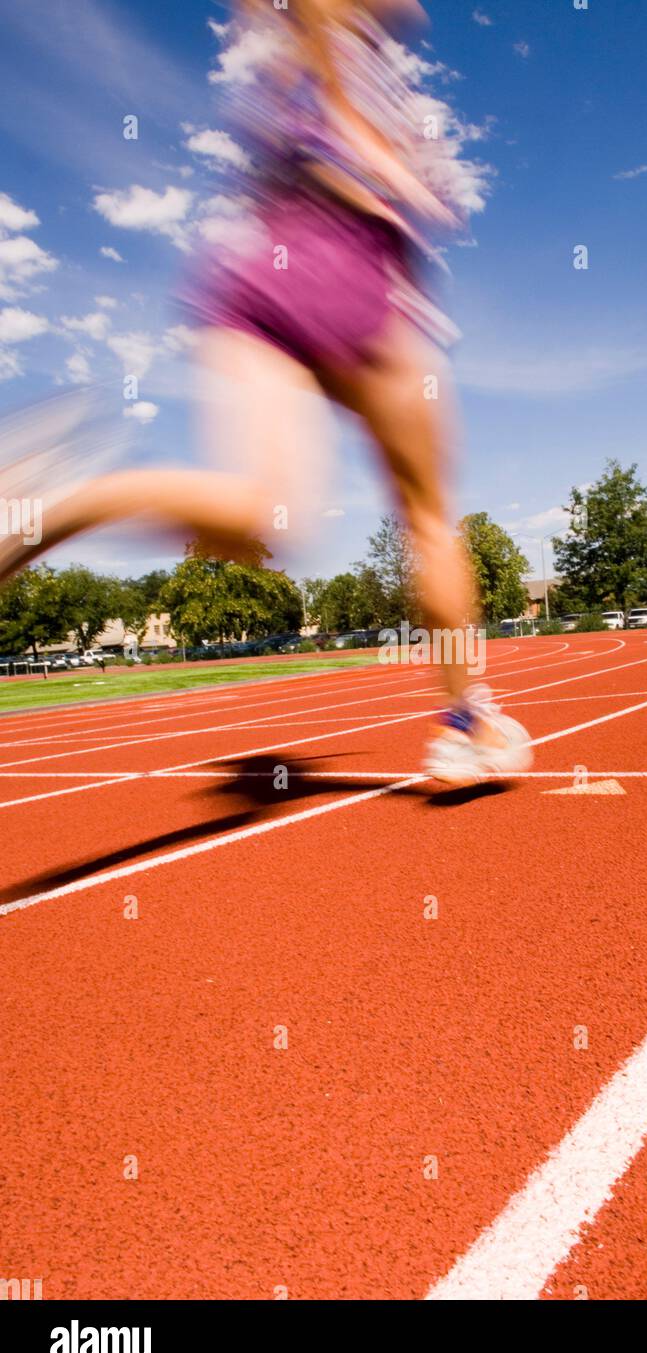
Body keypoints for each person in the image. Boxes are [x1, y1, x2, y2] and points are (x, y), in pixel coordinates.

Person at [0, 0, 532, 787]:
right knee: (426, 516)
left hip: (251, 279)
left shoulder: (287, 68)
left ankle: (58, 502)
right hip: (350, 270)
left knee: (258, 514)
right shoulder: (347, 68)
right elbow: (375, 79)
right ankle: (464, 724)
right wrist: (403, 179)